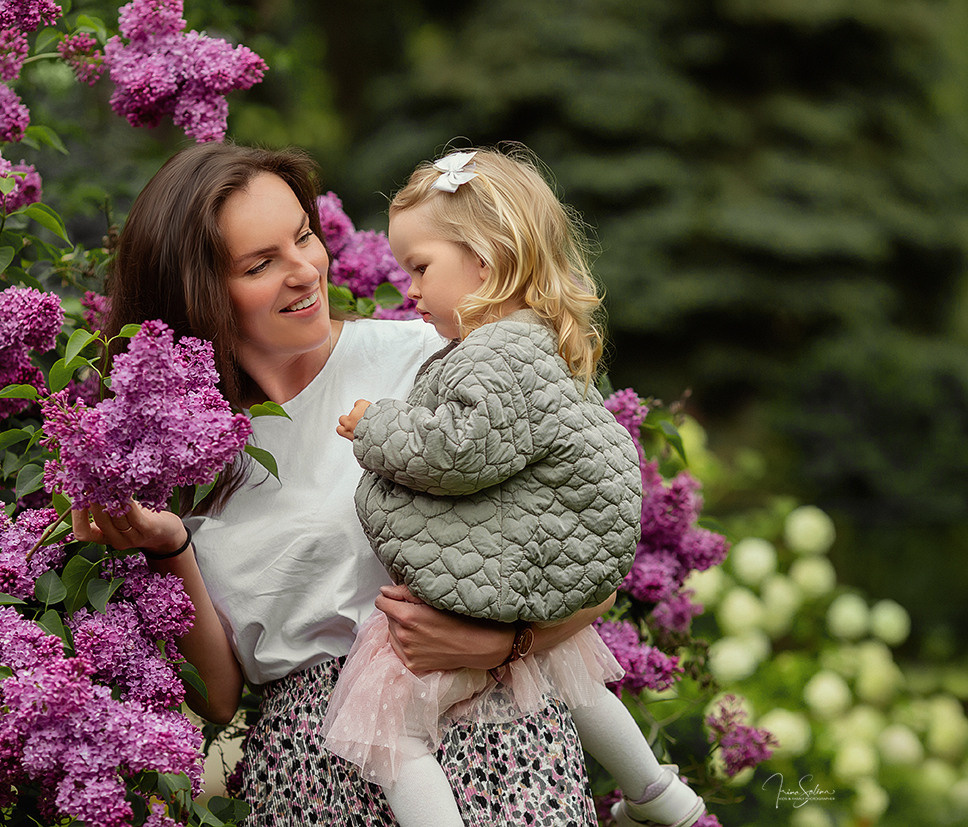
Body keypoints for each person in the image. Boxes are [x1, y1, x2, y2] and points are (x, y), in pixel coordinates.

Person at [71, 141, 610, 825]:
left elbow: (589, 552)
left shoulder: (433, 362)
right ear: (199, 293)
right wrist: (169, 546)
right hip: (306, 780)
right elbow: (219, 695)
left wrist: (503, 644)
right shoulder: (182, 456)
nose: (305, 271)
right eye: (262, 263)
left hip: (489, 748)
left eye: (303, 237)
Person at [322, 147, 707, 827]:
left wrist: (376, 429)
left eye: (421, 266)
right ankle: (656, 792)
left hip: (484, 589)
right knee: (570, 673)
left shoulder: (495, 353)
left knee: (396, 737)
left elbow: (458, 450)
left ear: (487, 261)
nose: (408, 287)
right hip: (527, 569)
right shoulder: (533, 345)